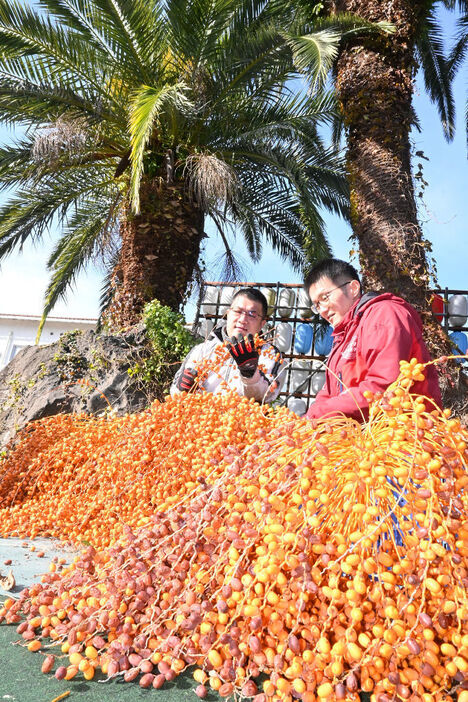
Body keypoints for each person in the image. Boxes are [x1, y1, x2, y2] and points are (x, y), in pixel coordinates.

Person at [304, 258, 442, 421]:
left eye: (325, 297)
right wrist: (306, 420)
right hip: (362, 438)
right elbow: (328, 393)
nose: (322, 310)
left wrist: (318, 414)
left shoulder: (383, 315)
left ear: (353, 288)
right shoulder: (342, 338)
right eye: (317, 305)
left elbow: (384, 386)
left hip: (401, 434)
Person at [171, 288, 285, 403]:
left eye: (252, 314)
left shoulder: (269, 354)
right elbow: (175, 396)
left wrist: (250, 375)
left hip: (242, 420)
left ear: (262, 324)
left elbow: (267, 395)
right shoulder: (203, 350)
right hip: (202, 419)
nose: (243, 319)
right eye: (238, 311)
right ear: (228, 313)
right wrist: (181, 390)